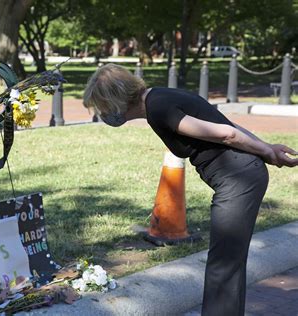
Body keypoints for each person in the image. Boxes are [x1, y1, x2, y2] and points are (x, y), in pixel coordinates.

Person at [83, 63, 298, 316]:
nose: (103, 112)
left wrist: (267, 151)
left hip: (239, 179)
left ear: (116, 100)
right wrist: (267, 148)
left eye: (102, 106)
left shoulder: (158, 108)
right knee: (228, 262)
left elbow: (226, 133)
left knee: (223, 264)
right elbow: (226, 126)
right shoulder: (160, 96)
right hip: (240, 175)